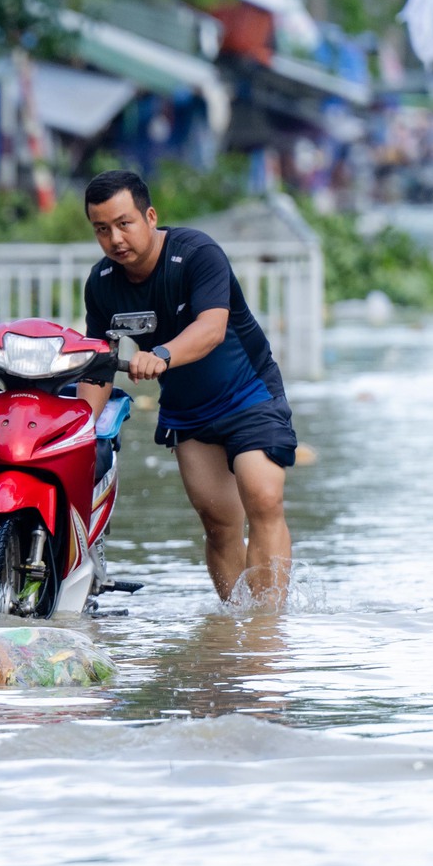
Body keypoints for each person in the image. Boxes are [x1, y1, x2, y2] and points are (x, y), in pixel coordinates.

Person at [75, 170, 295, 604]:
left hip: (248, 393)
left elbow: (212, 328)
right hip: (188, 412)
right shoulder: (101, 285)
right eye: (102, 229)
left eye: (124, 223)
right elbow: (98, 366)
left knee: (263, 496)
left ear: (150, 216)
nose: (115, 238)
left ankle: (266, 629)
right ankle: (235, 625)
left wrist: (162, 355)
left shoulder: (197, 254)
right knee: (218, 522)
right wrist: (81, 426)